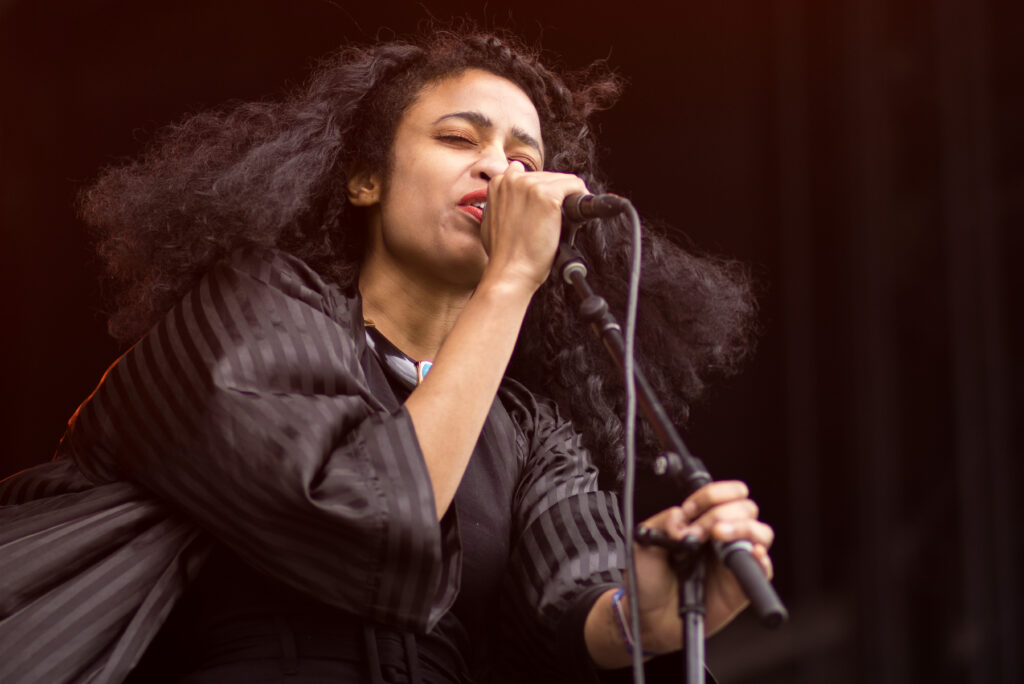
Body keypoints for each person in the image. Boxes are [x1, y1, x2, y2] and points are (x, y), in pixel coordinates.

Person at [0, 29, 773, 683]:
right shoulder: (247, 313)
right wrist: (509, 280)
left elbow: (574, 601)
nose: (501, 170)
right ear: (364, 179)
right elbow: (363, 518)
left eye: (525, 159)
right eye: (459, 139)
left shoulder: (527, 428)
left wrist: (649, 609)